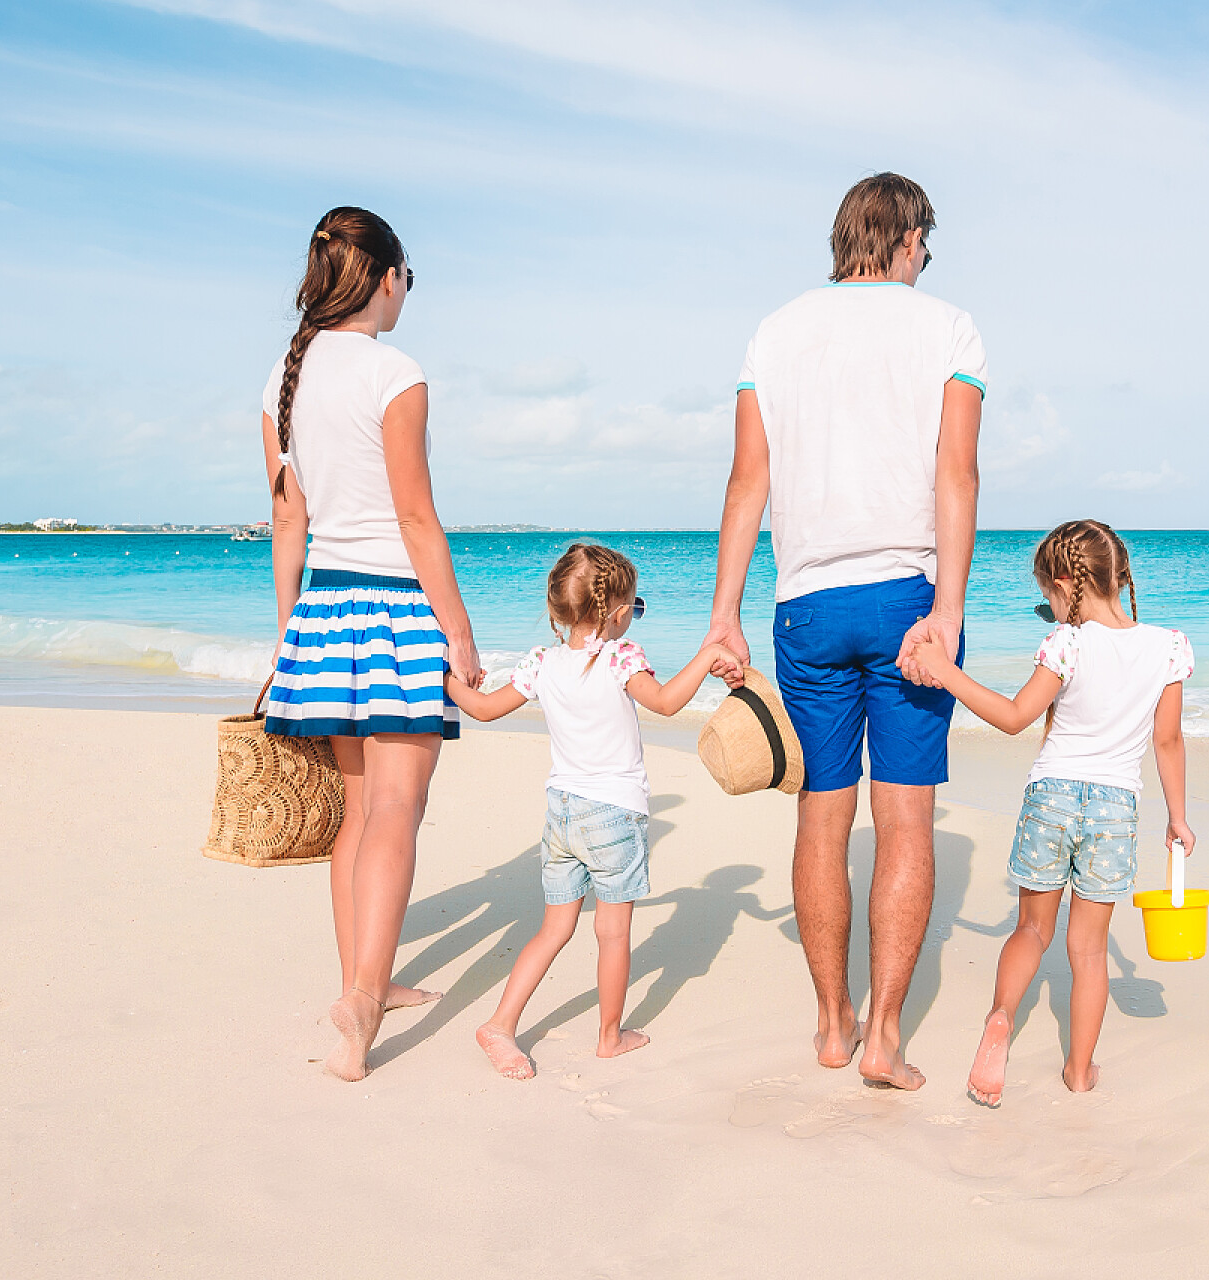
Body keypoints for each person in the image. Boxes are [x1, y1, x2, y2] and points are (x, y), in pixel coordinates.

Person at [703, 173, 987, 1089]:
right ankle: (884, 1039)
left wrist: (724, 614)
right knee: (906, 823)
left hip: (806, 605)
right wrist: (947, 606)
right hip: (906, 595)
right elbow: (958, 476)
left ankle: (831, 1025)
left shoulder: (774, 331)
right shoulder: (947, 326)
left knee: (822, 817)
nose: (925, 263)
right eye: (925, 246)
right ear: (904, 237)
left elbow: (748, 484)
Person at [261, 207, 480, 1082]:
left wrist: (288, 636)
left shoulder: (285, 372)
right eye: (407, 280)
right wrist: (459, 633)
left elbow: (288, 518)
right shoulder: (395, 371)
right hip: (395, 608)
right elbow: (416, 516)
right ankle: (360, 1000)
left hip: (324, 609)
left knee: (360, 810)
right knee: (396, 808)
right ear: (386, 276)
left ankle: (367, 979)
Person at [909, 520, 1195, 1107]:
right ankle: (1080, 1071)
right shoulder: (1169, 646)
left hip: (1052, 795)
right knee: (1088, 950)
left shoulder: (1068, 643)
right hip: (1116, 808)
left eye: (1048, 596)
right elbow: (1168, 741)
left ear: (1067, 583)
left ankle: (999, 1021)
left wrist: (946, 673)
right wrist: (1178, 816)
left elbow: (1016, 717)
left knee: (1032, 930)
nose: (1049, 607)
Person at [443, 543, 744, 1080]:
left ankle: (501, 1022)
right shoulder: (622, 658)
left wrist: (448, 679)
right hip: (614, 816)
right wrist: (707, 655)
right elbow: (668, 702)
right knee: (612, 933)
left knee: (554, 928)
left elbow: (484, 709)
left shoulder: (541, 662)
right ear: (619, 612)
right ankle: (610, 1035)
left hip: (561, 813)